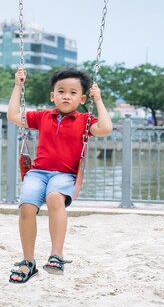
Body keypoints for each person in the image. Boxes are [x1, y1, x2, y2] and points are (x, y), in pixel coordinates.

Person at [7, 67, 113, 284]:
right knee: (26, 206)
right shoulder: (44, 116)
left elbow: (106, 128)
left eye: (73, 93)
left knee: (55, 198)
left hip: (64, 175)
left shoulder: (85, 120)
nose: (66, 96)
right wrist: (18, 86)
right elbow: (13, 115)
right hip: (37, 172)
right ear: (52, 96)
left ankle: (57, 255)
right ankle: (28, 262)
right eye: (61, 91)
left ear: (83, 98)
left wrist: (99, 100)